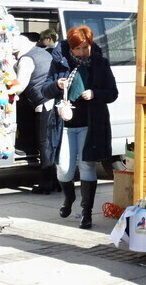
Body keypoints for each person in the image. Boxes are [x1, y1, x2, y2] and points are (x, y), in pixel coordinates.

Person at [42, 25, 118, 229]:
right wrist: (57, 84)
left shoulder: (100, 63)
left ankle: (87, 214)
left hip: (90, 124)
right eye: (79, 48)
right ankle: (69, 198)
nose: (83, 52)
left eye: (86, 47)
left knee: (87, 166)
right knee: (64, 170)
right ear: (71, 48)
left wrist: (95, 94)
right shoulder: (59, 62)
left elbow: (112, 93)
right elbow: (45, 90)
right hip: (64, 124)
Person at [12, 34, 59, 194]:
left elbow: (20, 85)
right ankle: (56, 181)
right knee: (52, 143)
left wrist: (5, 91)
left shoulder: (26, 59)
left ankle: (46, 183)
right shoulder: (41, 52)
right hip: (55, 100)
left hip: (44, 103)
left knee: (44, 143)